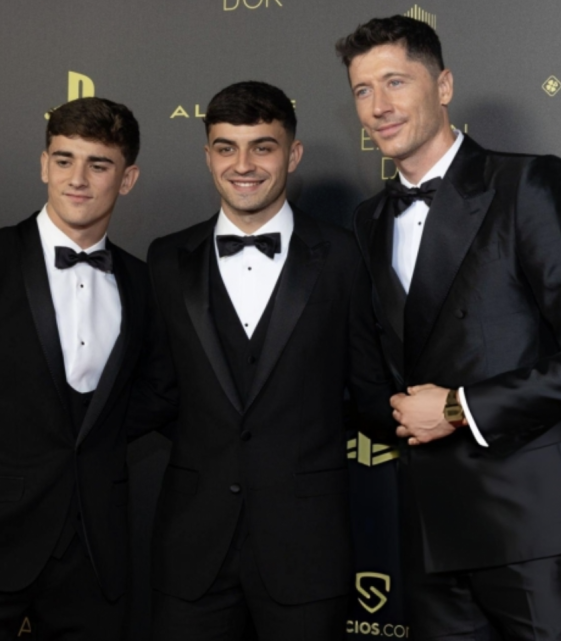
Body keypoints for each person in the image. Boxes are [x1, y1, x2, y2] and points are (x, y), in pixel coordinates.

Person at [336, 16, 561, 641]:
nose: (379, 105)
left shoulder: (527, 183)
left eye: (395, 81)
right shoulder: (368, 220)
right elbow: (378, 370)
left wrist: (455, 408)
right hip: (430, 528)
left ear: (443, 86)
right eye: (363, 89)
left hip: (535, 522)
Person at [0, 97, 169, 640]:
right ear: (44, 164)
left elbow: (156, 393)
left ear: (128, 178)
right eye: (64, 159)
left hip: (93, 552)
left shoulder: (143, 282)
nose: (77, 179)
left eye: (98, 164)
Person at [145, 81, 394, 641]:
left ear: (293, 154)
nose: (243, 165)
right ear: (207, 155)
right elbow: (159, 392)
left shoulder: (345, 256)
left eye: (263, 147)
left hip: (307, 547)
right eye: (226, 147)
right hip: (191, 547)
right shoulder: (166, 258)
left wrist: (460, 411)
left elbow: (369, 391)